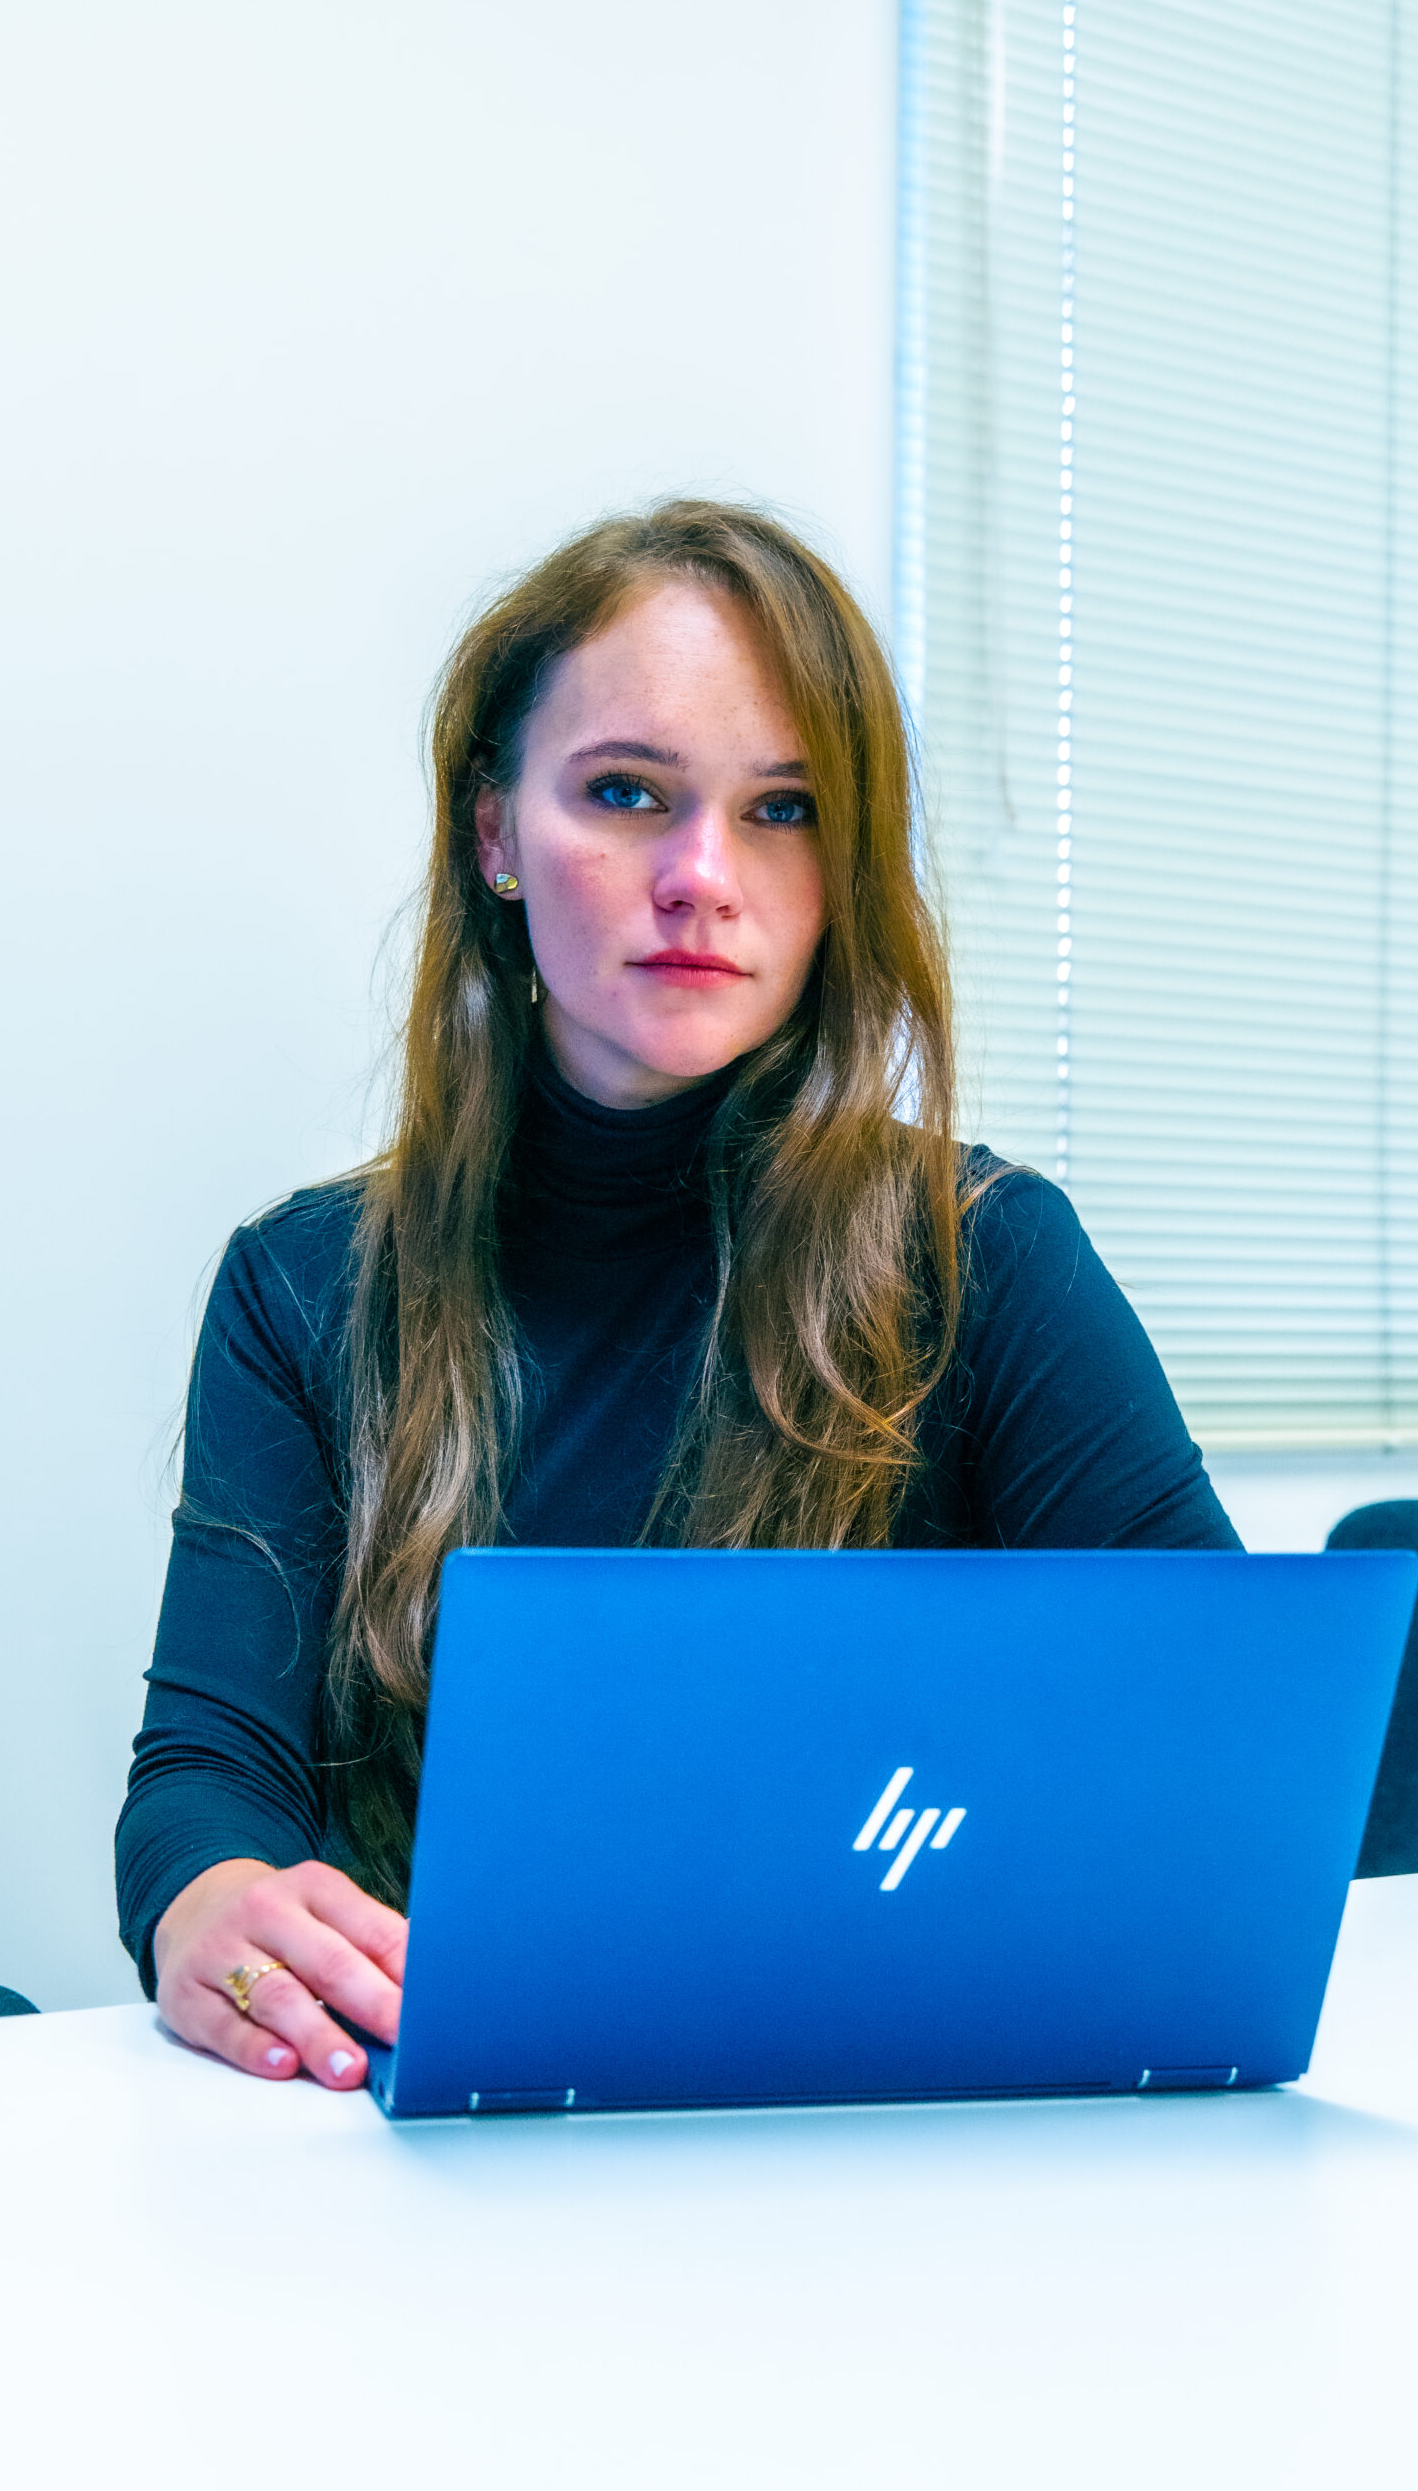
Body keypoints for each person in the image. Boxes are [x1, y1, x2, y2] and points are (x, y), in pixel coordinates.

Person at [116, 499, 1239, 2091]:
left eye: (782, 811)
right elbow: (206, 1775)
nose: (704, 877)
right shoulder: (304, 1288)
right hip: (436, 2142)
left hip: (894, 2131)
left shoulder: (986, 1253)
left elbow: (1216, 1747)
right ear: (495, 832)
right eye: (628, 793)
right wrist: (206, 1900)